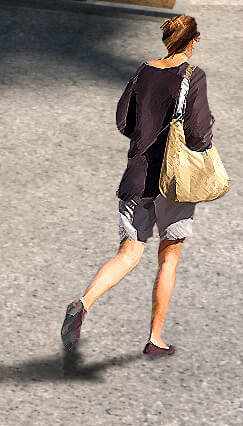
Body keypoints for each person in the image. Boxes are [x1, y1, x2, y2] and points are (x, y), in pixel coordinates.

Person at [62, 15, 212, 358]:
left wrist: (144, 139)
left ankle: (82, 304)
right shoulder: (193, 76)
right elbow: (199, 130)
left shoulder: (143, 71)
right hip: (173, 182)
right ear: (192, 41)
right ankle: (155, 339)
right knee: (168, 258)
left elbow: (123, 120)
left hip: (136, 176)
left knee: (128, 253)